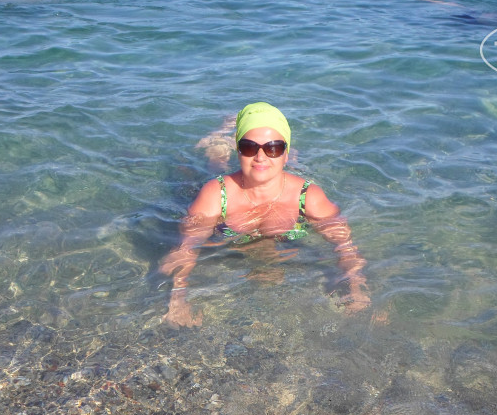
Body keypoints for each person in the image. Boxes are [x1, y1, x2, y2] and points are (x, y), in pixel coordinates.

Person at [159, 102, 371, 328]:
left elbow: (345, 247)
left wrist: (355, 288)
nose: (260, 156)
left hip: (283, 186)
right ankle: (220, 137)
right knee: (214, 164)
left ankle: (282, 154)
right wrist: (177, 299)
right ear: (239, 152)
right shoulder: (216, 194)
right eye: (249, 147)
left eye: (274, 148)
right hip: (226, 190)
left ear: (284, 154)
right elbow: (184, 249)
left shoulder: (308, 196)